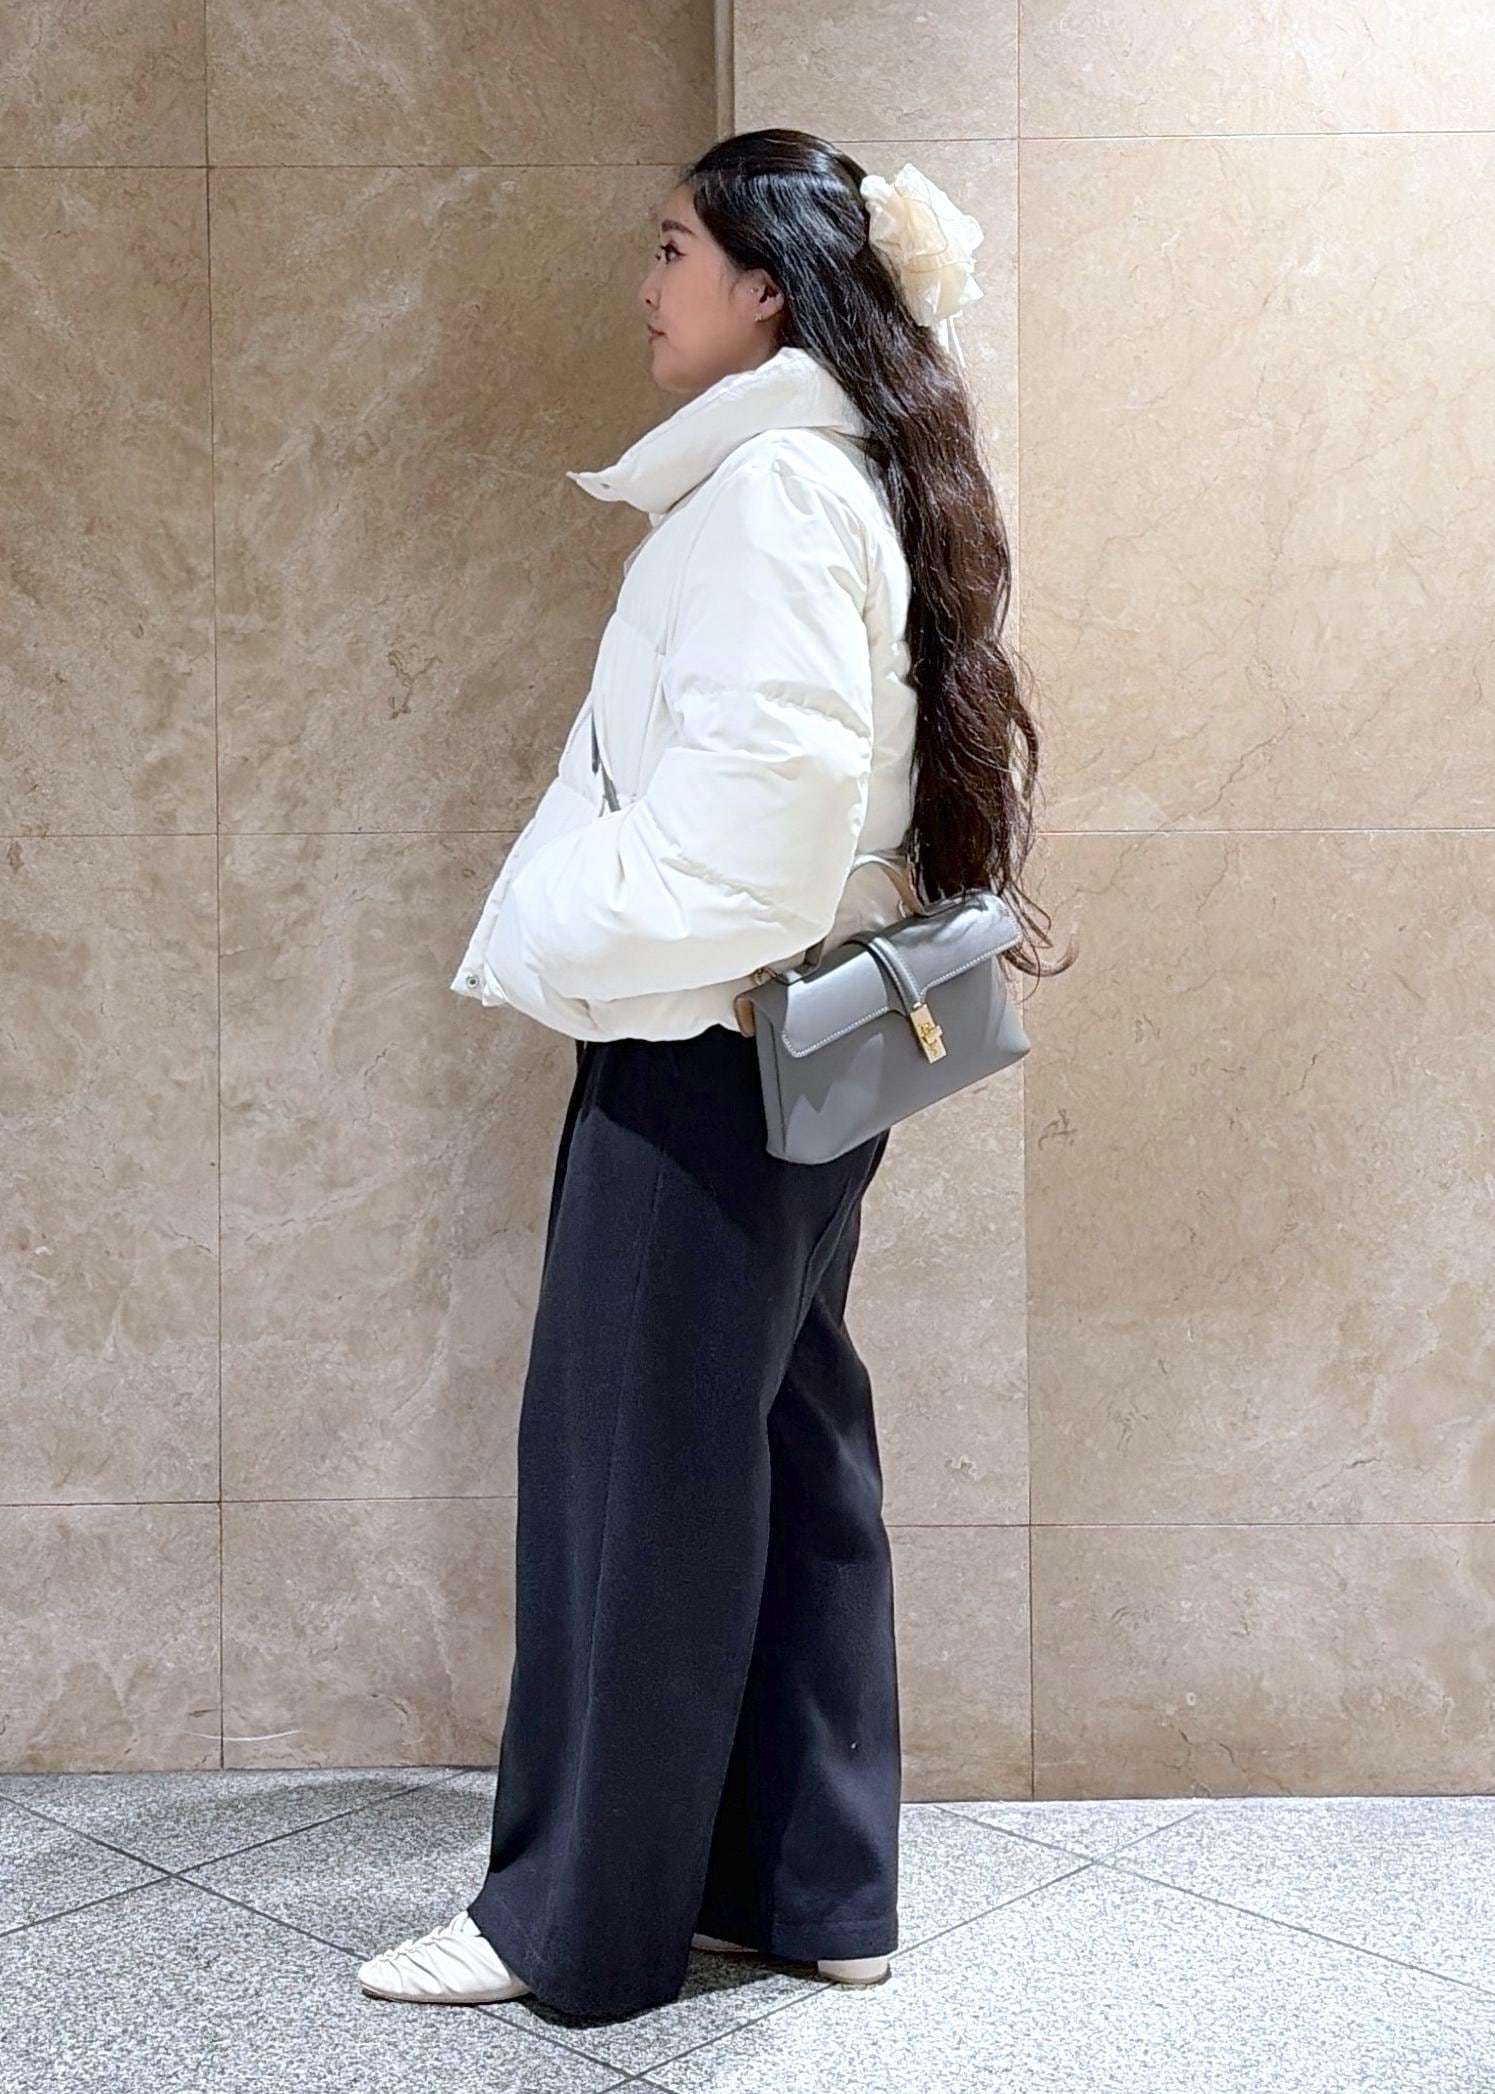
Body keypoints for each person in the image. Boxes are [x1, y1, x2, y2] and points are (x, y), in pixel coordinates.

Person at [357, 127, 1063, 2024]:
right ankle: (812, 1885)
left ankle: (571, 1925)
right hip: (792, 1068)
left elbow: (752, 847)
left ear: (766, 286)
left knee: (631, 1486)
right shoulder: (833, 479)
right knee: (786, 1450)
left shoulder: (768, 495)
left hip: (703, 1052)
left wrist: (544, 921)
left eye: (673, 245)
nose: (645, 279)